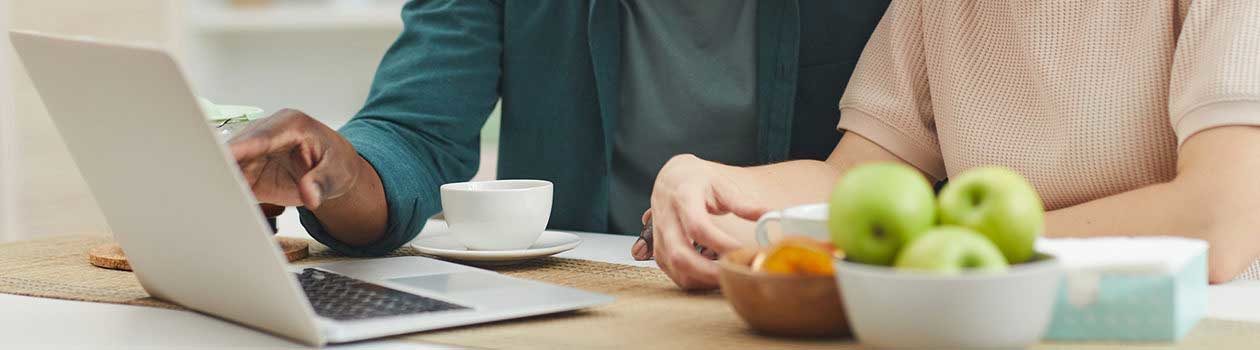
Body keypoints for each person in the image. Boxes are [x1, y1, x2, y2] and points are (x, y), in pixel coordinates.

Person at [648, 0, 1260, 289]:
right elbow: (857, 180)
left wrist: (935, 248)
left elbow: (1219, 226)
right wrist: (712, 186)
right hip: (996, 319)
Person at [227, 2, 891, 262]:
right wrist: (337, 172)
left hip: (798, 295)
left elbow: (901, 160)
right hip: (586, 301)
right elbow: (415, 132)